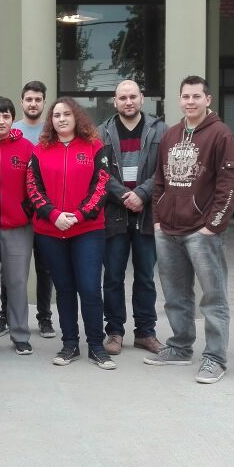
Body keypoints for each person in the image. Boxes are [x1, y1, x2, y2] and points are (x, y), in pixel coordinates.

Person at [144, 75, 234, 385]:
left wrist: (213, 226)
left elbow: (230, 186)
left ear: (207, 99)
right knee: (175, 295)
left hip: (201, 231)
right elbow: (159, 180)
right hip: (167, 230)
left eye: (196, 96)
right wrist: (157, 219)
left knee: (213, 297)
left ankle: (215, 358)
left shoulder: (221, 135)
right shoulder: (171, 135)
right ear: (179, 100)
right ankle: (180, 347)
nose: (190, 101)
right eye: (185, 96)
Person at [26, 97, 115, 370]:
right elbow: (32, 187)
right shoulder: (40, 150)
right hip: (50, 231)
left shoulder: (94, 147)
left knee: (89, 288)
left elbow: (102, 185)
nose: (61, 119)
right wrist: (53, 214)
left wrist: (79, 215)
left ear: (76, 117)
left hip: (87, 229)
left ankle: (97, 347)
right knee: (64, 289)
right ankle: (70, 344)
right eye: (56, 115)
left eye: (66, 114)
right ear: (51, 120)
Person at [99, 80, 167, 356]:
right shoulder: (102, 132)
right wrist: (124, 196)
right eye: (123, 97)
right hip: (114, 213)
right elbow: (99, 172)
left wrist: (142, 194)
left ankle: (145, 333)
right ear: (114, 101)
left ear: (142, 98)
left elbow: (164, 169)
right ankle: (114, 332)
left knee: (145, 277)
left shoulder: (160, 130)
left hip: (146, 213)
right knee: (113, 277)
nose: (128, 102)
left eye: (133, 96)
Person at [0, 96, 35, 355]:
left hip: (18, 227)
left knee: (17, 282)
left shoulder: (26, 148)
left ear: (12, 119)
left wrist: (27, 211)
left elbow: (35, 185)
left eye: (6, 116)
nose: (1, 121)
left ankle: (20, 334)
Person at [11, 80, 55, 338]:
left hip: (46, 211)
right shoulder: (12, 130)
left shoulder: (51, 131)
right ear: (22, 102)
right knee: (12, 269)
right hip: (19, 213)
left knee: (45, 267)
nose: (33, 103)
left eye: (38, 99)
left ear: (44, 102)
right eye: (29, 99)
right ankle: (6, 315)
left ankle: (45, 318)